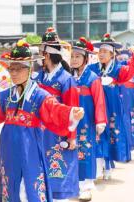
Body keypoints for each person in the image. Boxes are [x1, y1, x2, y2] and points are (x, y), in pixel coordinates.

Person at [0, 40, 84, 202]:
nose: (13, 73)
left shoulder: (40, 95)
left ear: (29, 69)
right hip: (7, 148)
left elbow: (55, 110)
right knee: (10, 182)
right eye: (11, 68)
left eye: (18, 69)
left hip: (30, 148)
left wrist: (71, 112)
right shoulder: (6, 95)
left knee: (30, 184)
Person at [87, 33, 134, 179]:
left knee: (111, 134)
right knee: (97, 135)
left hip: (112, 107)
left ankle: (108, 165)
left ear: (112, 54)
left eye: (105, 52)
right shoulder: (92, 68)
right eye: (100, 51)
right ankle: (101, 166)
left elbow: (131, 71)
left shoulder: (118, 68)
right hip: (96, 105)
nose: (101, 54)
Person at [34, 27, 80, 202]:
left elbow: (73, 108)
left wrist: (72, 136)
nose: (39, 56)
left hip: (57, 131)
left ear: (46, 55)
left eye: (40, 52)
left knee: (59, 167)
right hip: (39, 130)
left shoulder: (66, 79)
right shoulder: (37, 78)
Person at [70, 37, 107, 201]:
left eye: (78, 56)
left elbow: (99, 100)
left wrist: (100, 121)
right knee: (72, 150)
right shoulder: (68, 77)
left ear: (85, 58)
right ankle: (74, 185)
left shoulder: (92, 78)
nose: (74, 59)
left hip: (87, 122)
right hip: (71, 121)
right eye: (72, 56)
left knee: (86, 150)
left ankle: (87, 186)